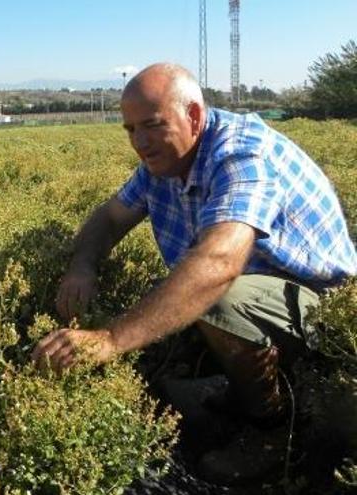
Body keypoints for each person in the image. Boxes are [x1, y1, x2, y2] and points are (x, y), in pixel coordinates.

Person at [32, 63, 357, 483]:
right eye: (130, 130)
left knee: (213, 298)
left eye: (151, 125)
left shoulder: (242, 154)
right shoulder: (163, 162)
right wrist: (82, 266)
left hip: (325, 309)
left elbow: (218, 265)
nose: (140, 143)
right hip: (255, 300)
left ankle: (272, 428)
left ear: (195, 117)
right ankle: (228, 388)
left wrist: (110, 340)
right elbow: (109, 218)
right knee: (166, 312)